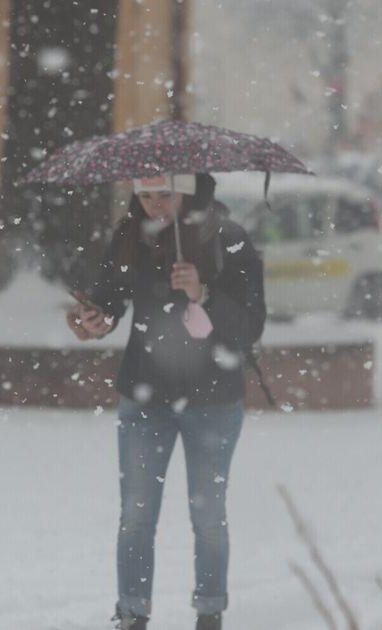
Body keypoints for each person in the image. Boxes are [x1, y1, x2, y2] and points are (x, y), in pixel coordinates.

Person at [65, 173, 266, 630]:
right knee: (136, 513)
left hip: (213, 401)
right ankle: (132, 614)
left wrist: (203, 293)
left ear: (189, 192)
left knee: (208, 515)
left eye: (165, 195)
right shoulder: (130, 235)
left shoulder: (229, 239)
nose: (155, 206)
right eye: (146, 196)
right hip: (145, 397)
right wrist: (95, 318)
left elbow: (250, 326)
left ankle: (209, 612)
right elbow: (110, 299)